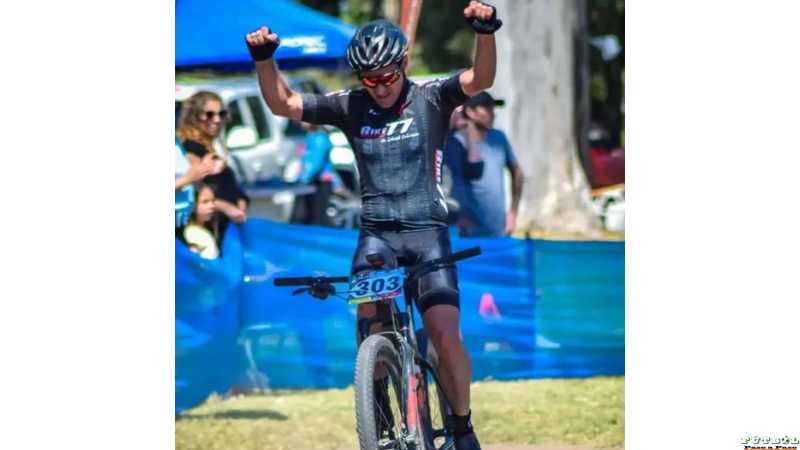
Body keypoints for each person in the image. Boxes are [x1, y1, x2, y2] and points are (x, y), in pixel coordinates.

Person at [245, 2, 502, 449]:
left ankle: (461, 426)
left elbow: (480, 79)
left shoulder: (431, 98)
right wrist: (265, 60)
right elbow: (284, 103)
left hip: (428, 234)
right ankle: (380, 415)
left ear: (403, 65)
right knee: (370, 323)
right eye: (369, 79)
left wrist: (485, 33)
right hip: (376, 236)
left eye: (386, 76)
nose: (380, 88)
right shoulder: (351, 106)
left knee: (444, 333)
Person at [444, 92, 524, 237]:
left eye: (493, 109)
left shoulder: (498, 138)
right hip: (467, 233)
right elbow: (453, 184)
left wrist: (513, 213)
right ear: (470, 112)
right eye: (487, 109)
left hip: (498, 230)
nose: (493, 114)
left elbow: (517, 172)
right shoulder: (455, 143)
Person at [177, 91, 250, 240]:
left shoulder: (211, 146)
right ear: (194, 116)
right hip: (203, 234)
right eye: (209, 114)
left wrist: (240, 201)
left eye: (221, 114)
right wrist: (226, 207)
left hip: (223, 229)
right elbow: (199, 195)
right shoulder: (190, 147)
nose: (217, 120)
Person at [290, 121, 347, 226]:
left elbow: (315, 163)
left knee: (316, 218)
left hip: (319, 183)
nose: (301, 122)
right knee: (306, 217)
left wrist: (302, 180)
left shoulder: (320, 138)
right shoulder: (309, 137)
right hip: (310, 183)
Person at [180, 182, 220, 260]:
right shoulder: (192, 232)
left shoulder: (206, 228)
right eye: (205, 202)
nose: (212, 205)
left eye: (213, 201)